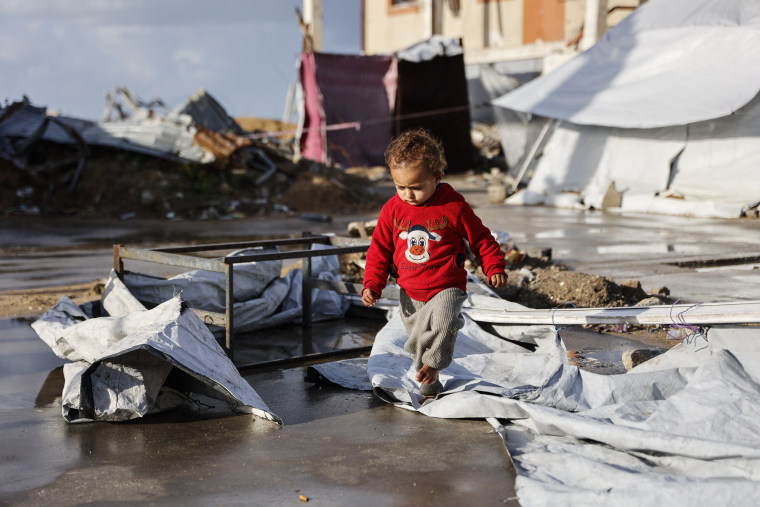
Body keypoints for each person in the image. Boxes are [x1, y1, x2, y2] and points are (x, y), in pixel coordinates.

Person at [362, 128, 507, 397]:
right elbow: (379, 250)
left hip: (446, 286)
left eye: (416, 187)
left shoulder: (453, 205)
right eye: (400, 187)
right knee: (417, 341)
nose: (407, 194)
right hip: (410, 291)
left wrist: (494, 265)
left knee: (444, 323)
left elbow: (481, 238)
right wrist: (372, 283)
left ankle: (434, 365)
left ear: (437, 178)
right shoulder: (392, 210)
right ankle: (429, 381)